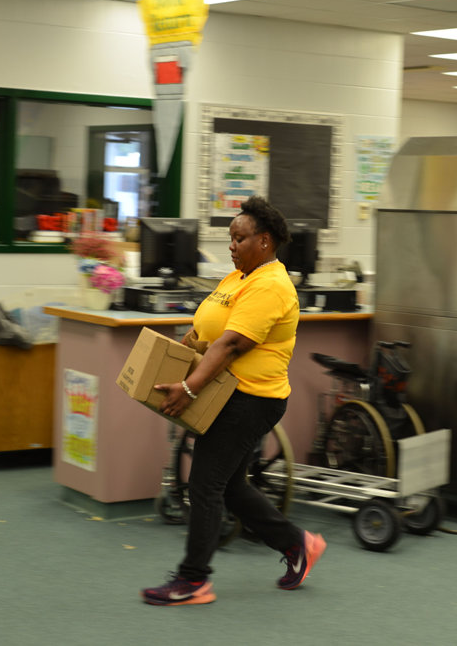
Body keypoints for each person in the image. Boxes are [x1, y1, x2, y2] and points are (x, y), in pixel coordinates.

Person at [141, 196, 326, 607]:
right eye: (231, 238)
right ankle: (299, 544)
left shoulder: (271, 285)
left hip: (251, 399)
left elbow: (230, 345)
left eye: (239, 239)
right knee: (231, 487)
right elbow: (208, 331)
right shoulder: (237, 278)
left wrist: (189, 388)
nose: (231, 245)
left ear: (264, 241)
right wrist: (180, 352)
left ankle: (193, 580)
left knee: (205, 485)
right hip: (228, 393)